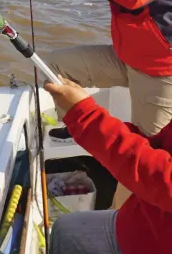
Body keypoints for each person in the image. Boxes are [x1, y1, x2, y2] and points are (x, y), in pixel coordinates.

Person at [40, 0, 172, 208]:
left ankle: (118, 218)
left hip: (158, 73)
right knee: (52, 66)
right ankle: (74, 122)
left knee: (144, 157)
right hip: (124, 58)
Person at [44, 75, 172, 254]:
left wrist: (87, 117)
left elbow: (162, 179)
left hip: (154, 243)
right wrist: (95, 123)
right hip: (142, 224)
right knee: (64, 230)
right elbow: (158, 147)